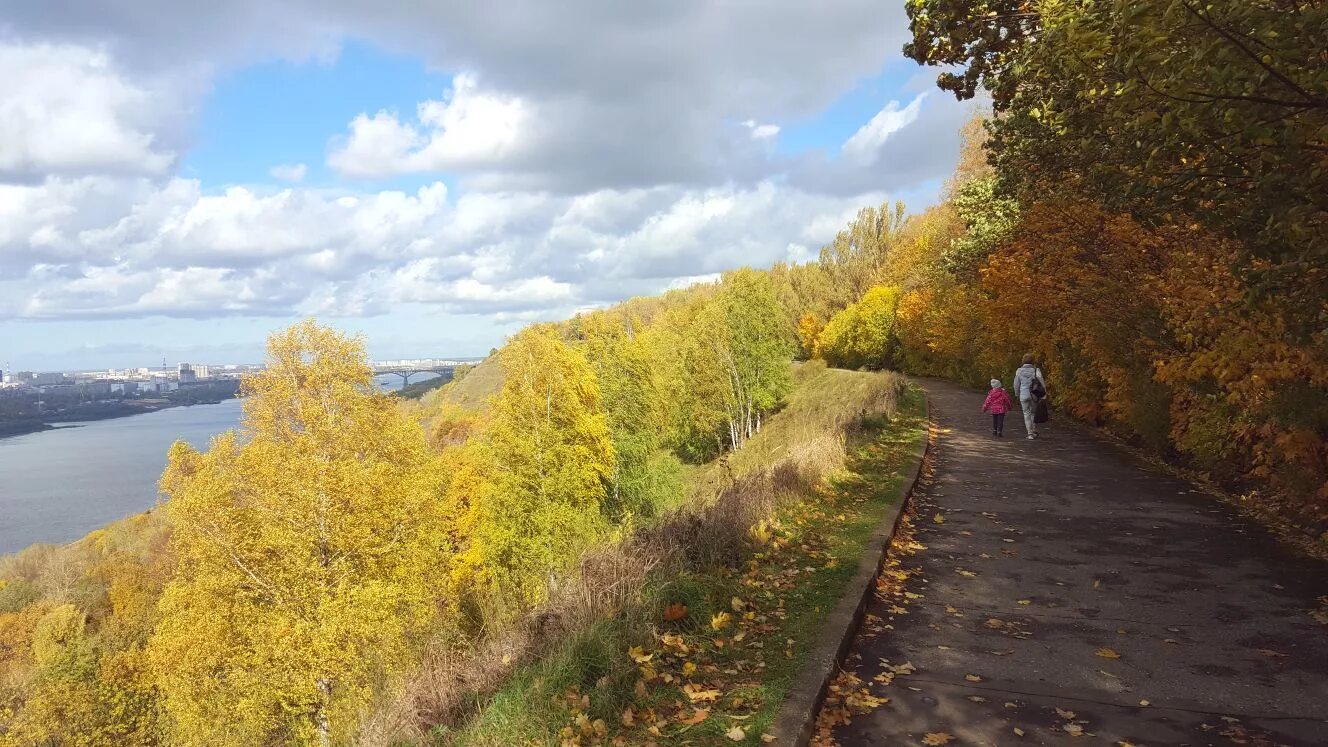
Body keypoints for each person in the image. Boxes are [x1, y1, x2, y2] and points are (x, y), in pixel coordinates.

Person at [1012, 354, 1047, 440]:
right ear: (1032, 361)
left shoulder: (1019, 371)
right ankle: (1034, 431)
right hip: (1034, 395)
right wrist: (1044, 394)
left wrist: (1017, 394)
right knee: (1033, 413)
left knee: (1026, 413)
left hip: (1023, 395)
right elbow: (1041, 382)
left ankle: (1029, 433)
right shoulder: (1036, 370)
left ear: (1023, 361)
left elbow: (1016, 384)